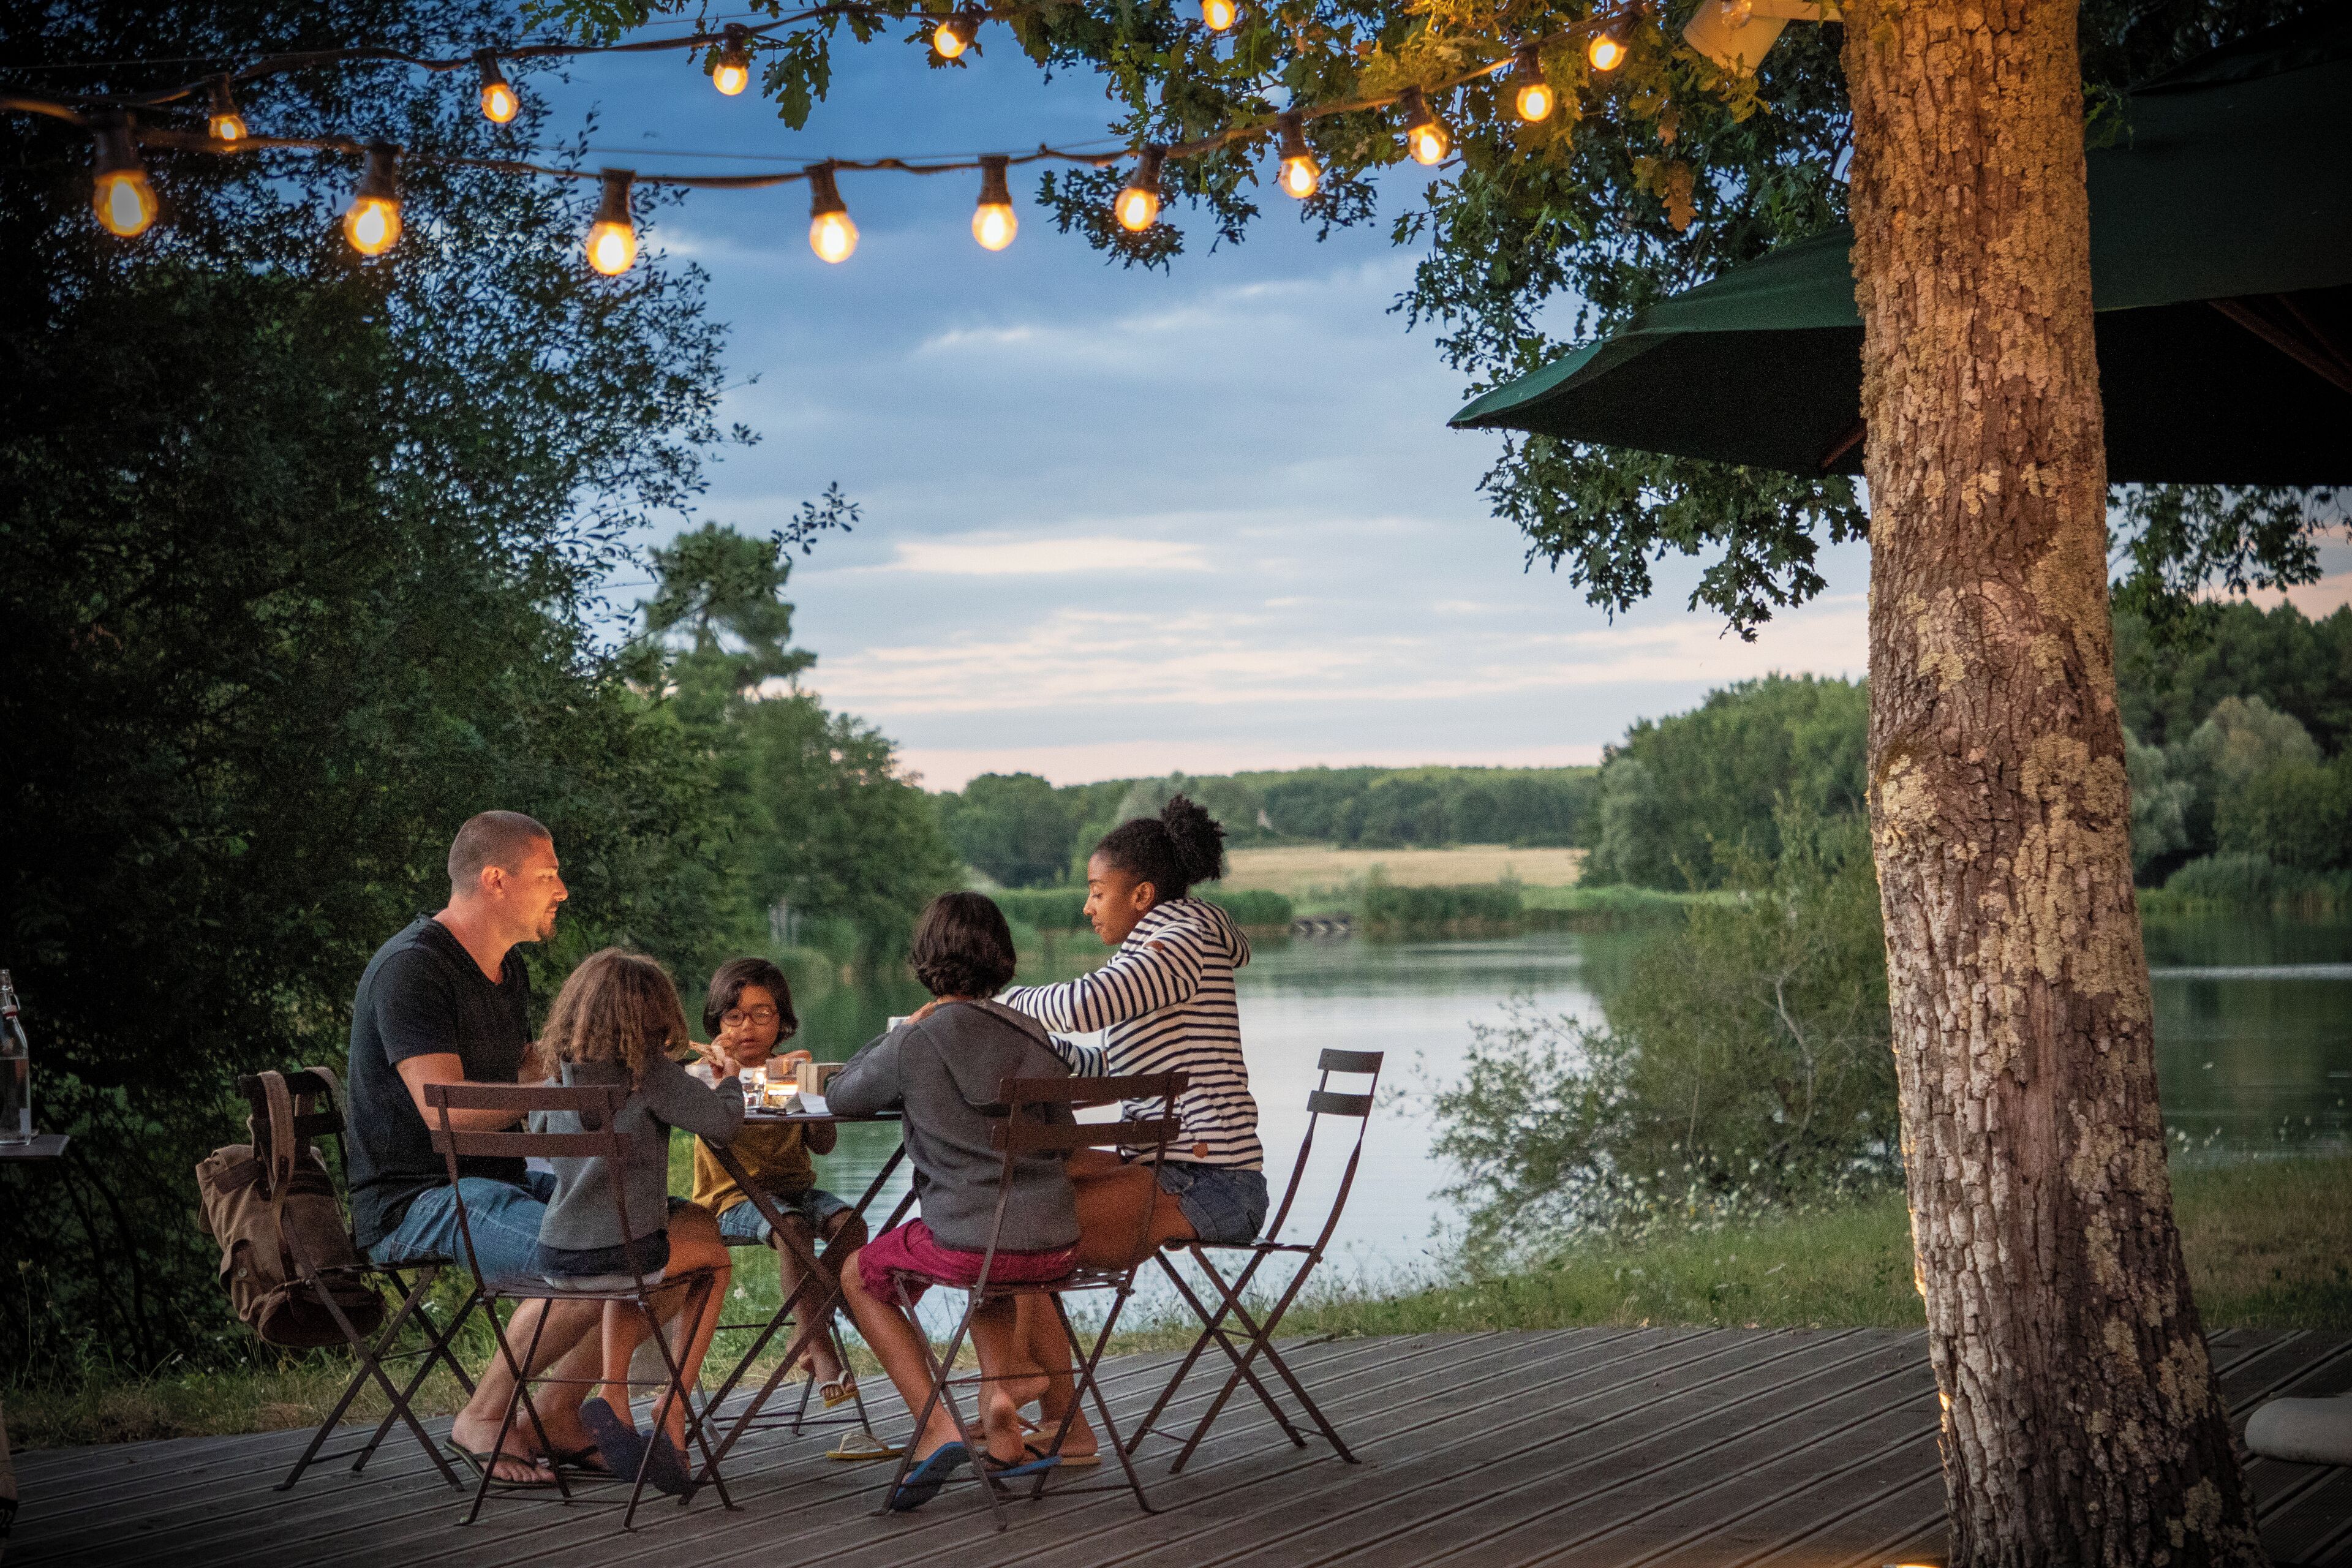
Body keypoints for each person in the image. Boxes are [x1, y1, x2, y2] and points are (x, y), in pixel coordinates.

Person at [345, 810, 730, 1484]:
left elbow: (526, 1074)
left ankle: (555, 1410)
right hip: (421, 1196)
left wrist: (616, 1067)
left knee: (694, 1236)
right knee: (595, 1248)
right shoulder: (414, 970)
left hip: (502, 1183)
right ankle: (485, 1415)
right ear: (496, 880)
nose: (563, 889)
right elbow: (453, 1117)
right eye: (548, 875)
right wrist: (561, 1089)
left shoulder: (505, 970)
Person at [982, 795, 1267, 1453]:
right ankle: (1066, 1425)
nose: (1088, 905)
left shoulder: (1177, 941)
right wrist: (1018, 1045)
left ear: (1141, 893)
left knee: (1019, 1231)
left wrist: (991, 1004)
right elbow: (1108, 1058)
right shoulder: (1161, 947)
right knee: (1007, 1202)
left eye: (1096, 890)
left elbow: (1085, 1005)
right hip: (1167, 1162)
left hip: (1211, 1178)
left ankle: (1034, 1386)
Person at [829, 892, 1082, 1510]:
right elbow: (1065, 1137)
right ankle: (1000, 1400)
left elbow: (842, 1097)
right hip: (1053, 1246)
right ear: (1002, 957)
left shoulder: (919, 1040)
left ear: (926, 958)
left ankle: (936, 1426)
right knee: (990, 1265)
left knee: (857, 1273)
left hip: (975, 1243)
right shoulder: (1034, 1033)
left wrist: (901, 1032)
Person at [527, 949, 743, 1496]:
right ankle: (670, 1405)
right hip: (626, 1254)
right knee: (713, 1263)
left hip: (558, 1253)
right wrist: (730, 1080)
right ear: (654, 1016)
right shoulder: (649, 1074)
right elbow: (722, 1126)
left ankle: (616, 1395)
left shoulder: (557, 1074)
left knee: (688, 1226)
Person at [684, 957, 865, 1406]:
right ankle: (820, 1350)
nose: (748, 1027)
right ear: (718, 1023)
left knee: (852, 1226)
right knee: (793, 1228)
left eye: (762, 1014)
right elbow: (710, 1111)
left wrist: (815, 1093)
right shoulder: (703, 1074)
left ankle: (804, 1331)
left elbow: (823, 1144)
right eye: (735, 1016)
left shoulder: (793, 1070)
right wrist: (759, 1082)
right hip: (731, 1197)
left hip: (795, 1187)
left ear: (781, 1019)